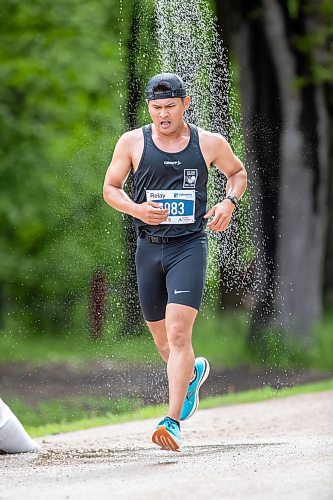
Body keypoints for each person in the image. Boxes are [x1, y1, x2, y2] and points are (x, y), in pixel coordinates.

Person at [103, 73, 247, 452]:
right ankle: (193, 373)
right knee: (163, 340)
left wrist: (227, 203)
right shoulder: (133, 142)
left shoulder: (209, 143)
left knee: (179, 333)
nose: (163, 115)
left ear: (185, 104)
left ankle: (172, 421)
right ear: (148, 107)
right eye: (156, 108)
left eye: (170, 107)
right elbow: (110, 188)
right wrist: (136, 209)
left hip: (189, 246)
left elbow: (237, 173)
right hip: (148, 248)